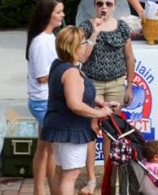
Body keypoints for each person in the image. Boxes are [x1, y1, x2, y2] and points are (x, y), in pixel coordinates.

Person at [42, 26, 116, 195]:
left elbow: (78, 93)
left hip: (58, 126)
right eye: (84, 42)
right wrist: (99, 113)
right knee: (71, 174)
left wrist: (102, 103)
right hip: (71, 129)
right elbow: (75, 103)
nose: (86, 45)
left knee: (62, 171)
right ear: (74, 47)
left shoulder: (58, 65)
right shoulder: (71, 72)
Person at [78, 0, 135, 191]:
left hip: (116, 83)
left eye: (108, 4)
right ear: (94, 5)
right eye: (100, 3)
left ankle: (110, 174)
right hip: (92, 83)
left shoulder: (122, 28)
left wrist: (130, 85)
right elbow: (81, 56)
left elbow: (129, 58)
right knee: (92, 129)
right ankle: (92, 177)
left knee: (112, 130)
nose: (104, 7)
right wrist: (96, 30)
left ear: (114, 6)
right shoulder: (86, 27)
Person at [27, 0, 63, 195]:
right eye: (59, 12)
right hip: (43, 100)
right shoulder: (41, 42)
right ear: (47, 15)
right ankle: (41, 190)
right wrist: (66, 71)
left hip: (47, 100)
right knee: (48, 148)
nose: (62, 15)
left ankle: (49, 189)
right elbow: (42, 77)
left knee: (46, 148)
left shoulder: (50, 37)